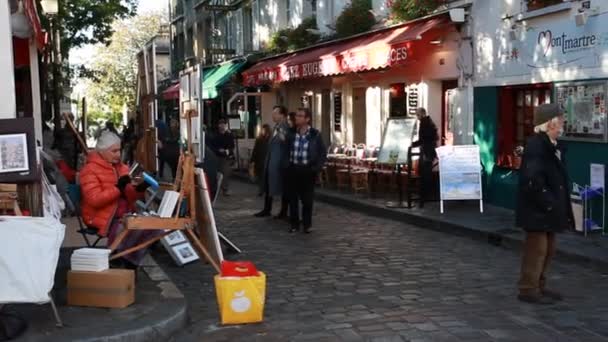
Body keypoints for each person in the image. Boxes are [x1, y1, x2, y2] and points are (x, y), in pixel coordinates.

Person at [516, 103, 573, 305]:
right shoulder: (537, 146)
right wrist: (549, 203)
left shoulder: (552, 146)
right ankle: (528, 289)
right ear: (550, 123)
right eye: (560, 121)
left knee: (548, 250)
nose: (563, 125)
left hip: (549, 209)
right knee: (537, 251)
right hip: (538, 211)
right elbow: (533, 181)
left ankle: (539, 285)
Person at [80, 131, 160, 268]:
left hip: (125, 213)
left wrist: (141, 188)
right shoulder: (89, 170)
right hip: (102, 217)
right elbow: (95, 200)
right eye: (114, 151)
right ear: (102, 152)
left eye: (119, 150)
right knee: (133, 228)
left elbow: (131, 196)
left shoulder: (122, 168)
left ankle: (126, 259)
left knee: (156, 228)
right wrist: (118, 188)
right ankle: (126, 260)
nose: (118, 154)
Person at [287, 108, 327, 233]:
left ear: (307, 119)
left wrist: (316, 168)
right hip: (294, 169)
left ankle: (307, 225)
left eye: (300, 116)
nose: (297, 118)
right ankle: (294, 224)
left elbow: (322, 153)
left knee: (307, 200)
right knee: (293, 199)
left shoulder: (315, 134)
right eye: (296, 115)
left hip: (308, 170)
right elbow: (286, 149)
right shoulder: (292, 133)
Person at [254, 106, 290, 217]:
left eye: (275, 113)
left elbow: (286, 143)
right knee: (268, 185)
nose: (273, 116)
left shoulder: (285, 127)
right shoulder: (275, 127)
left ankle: (283, 211)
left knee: (282, 187)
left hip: (279, 163)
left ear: (282, 115)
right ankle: (267, 209)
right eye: (273, 113)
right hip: (271, 161)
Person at [412, 107, 439, 208]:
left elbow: (423, 139)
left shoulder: (425, 123)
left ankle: (425, 195)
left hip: (427, 152)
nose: (417, 117)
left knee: (425, 174)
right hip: (428, 151)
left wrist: (412, 144)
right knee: (425, 173)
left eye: (418, 114)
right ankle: (425, 195)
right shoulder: (428, 122)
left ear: (422, 114)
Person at [209, 119, 236, 195]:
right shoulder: (215, 135)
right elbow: (212, 146)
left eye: (223, 124)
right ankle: (215, 188)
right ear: (218, 126)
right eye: (220, 124)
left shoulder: (229, 135)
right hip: (216, 156)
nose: (222, 126)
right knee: (216, 173)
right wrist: (218, 150)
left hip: (225, 157)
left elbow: (232, 146)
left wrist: (226, 151)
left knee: (226, 173)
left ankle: (225, 189)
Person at [250, 124, 271, 196]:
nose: (262, 131)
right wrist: (252, 160)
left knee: (266, 177)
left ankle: (266, 190)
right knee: (260, 177)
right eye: (262, 130)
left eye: (263, 129)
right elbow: (255, 150)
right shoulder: (259, 139)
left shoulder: (270, 139)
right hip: (259, 161)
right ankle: (261, 190)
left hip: (267, 161)